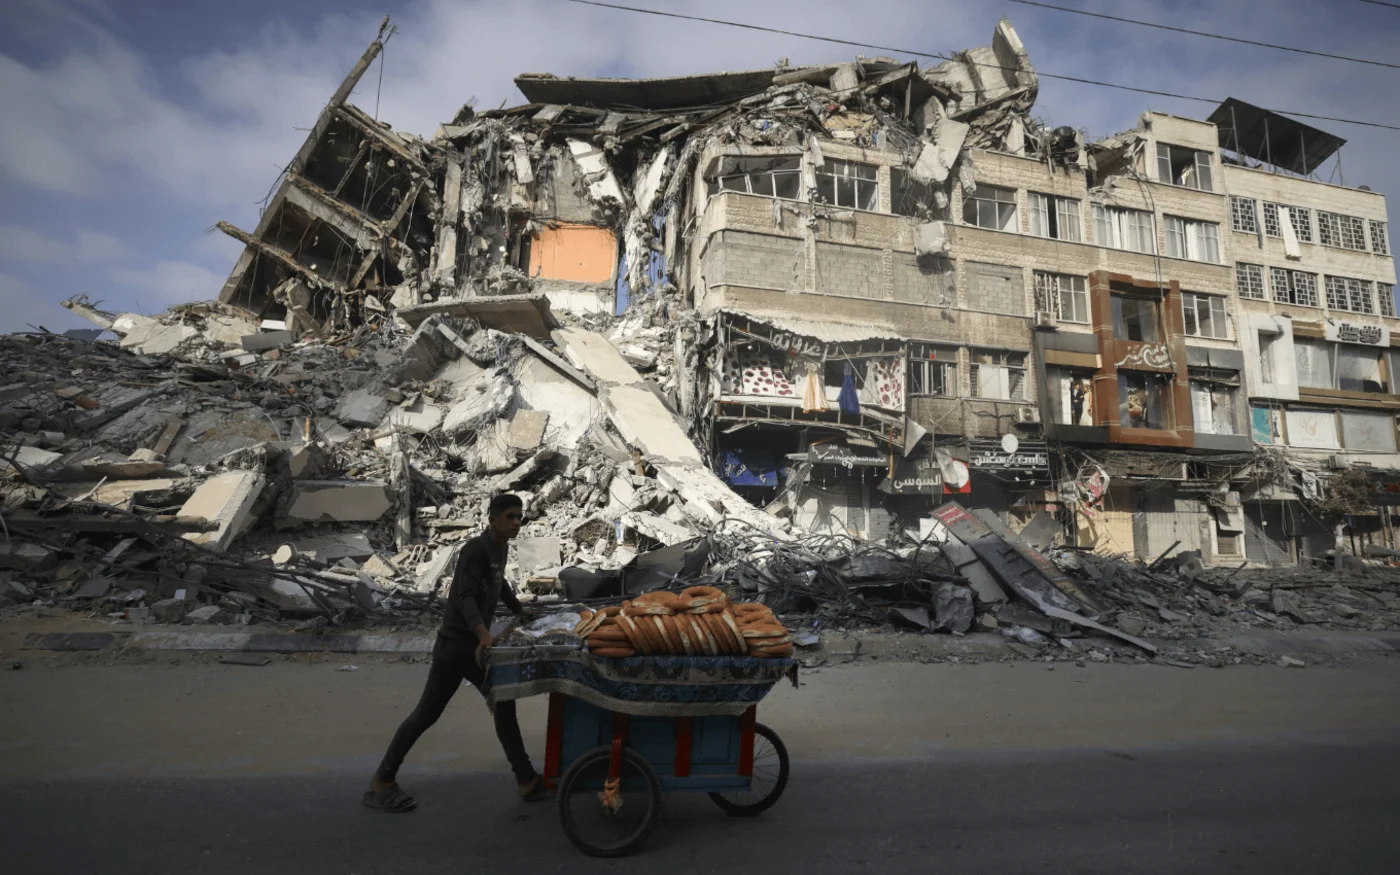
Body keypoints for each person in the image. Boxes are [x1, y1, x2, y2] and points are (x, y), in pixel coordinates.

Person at [364, 493, 546, 813]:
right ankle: (382, 780)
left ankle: (526, 778)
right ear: (492, 519)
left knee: (503, 703)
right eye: (510, 517)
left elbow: (498, 583)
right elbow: (464, 597)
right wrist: (483, 633)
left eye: (520, 517)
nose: (517, 523)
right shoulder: (474, 550)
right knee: (427, 714)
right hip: (456, 647)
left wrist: (520, 610)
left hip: (474, 647)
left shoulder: (501, 548)